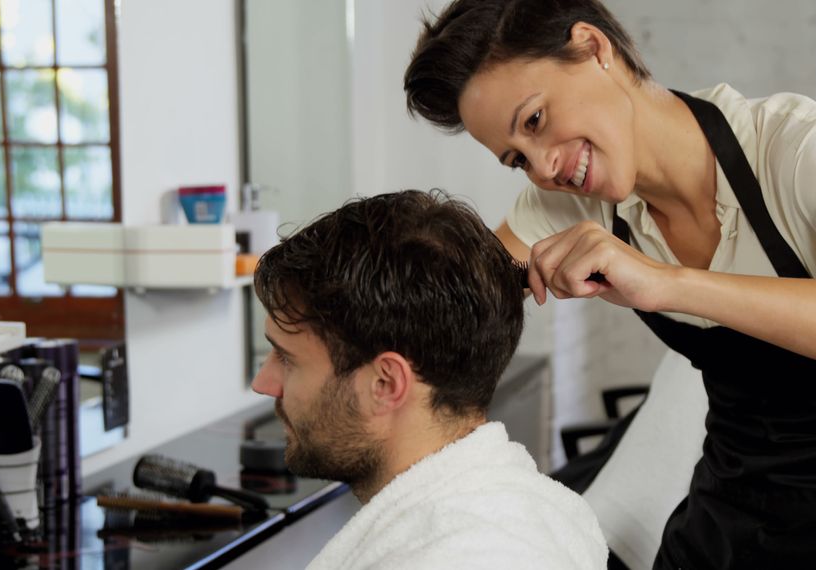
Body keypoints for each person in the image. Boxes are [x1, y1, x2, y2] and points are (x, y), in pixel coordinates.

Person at [404, 1, 816, 568]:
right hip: (735, 512)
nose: (543, 167)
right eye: (516, 159)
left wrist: (669, 284)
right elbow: (451, 296)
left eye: (535, 121)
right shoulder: (567, 199)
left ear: (593, 47)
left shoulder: (792, 146)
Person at [250, 190, 608, 569]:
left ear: (386, 384)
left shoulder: (459, 558)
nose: (264, 382)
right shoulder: (536, 509)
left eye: (286, 359)